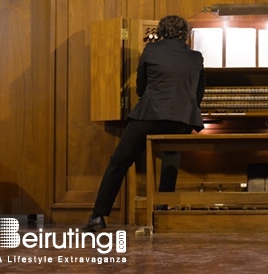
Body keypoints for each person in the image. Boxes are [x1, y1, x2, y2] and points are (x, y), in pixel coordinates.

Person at [82, 15, 206, 232]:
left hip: (149, 116)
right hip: (180, 120)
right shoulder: (196, 57)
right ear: (185, 34)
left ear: (160, 32)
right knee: (170, 159)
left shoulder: (151, 50)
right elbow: (198, 94)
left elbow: (141, 87)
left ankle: (98, 216)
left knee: (119, 163)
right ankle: (161, 210)